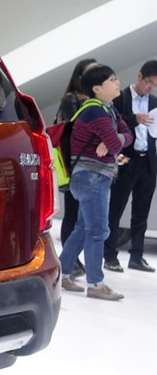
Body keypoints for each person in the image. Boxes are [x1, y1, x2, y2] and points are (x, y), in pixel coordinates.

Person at [60, 64, 132, 301]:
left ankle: (62, 273)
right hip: (92, 176)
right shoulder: (95, 111)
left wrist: (114, 140)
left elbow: (126, 136)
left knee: (84, 228)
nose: (117, 82)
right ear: (97, 88)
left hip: (94, 176)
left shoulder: (108, 108)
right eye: (112, 80)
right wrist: (114, 141)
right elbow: (116, 144)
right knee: (98, 230)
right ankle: (96, 284)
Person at [103, 60, 157, 273]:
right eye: (149, 82)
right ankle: (109, 255)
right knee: (116, 208)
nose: (150, 88)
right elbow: (112, 125)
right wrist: (135, 119)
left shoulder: (154, 102)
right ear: (139, 76)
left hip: (148, 161)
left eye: (155, 85)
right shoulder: (121, 98)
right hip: (125, 159)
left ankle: (137, 256)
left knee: (142, 211)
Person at [56, 58, 98, 276]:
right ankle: (68, 260)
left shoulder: (97, 99)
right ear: (80, 76)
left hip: (91, 163)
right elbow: (76, 127)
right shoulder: (70, 99)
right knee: (72, 213)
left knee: (85, 216)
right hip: (74, 161)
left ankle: (72, 258)